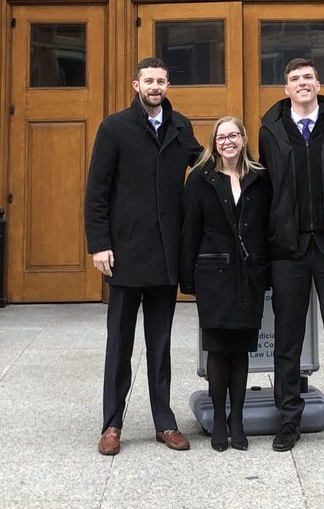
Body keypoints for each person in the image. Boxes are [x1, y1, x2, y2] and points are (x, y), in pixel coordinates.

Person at [85, 57, 202, 455]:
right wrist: (99, 243)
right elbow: (96, 191)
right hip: (124, 253)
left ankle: (164, 422)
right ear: (136, 85)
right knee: (119, 344)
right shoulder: (114, 127)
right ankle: (112, 424)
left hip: (166, 255)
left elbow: (206, 168)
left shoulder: (181, 127)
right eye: (149, 80)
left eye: (161, 81)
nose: (155, 86)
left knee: (161, 343)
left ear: (168, 85)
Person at [259, 57, 324, 452]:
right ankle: (288, 420)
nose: (302, 84)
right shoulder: (270, 129)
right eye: (294, 79)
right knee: (287, 340)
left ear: (319, 84)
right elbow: (264, 188)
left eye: (308, 78)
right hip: (288, 250)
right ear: (286, 89)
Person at [180, 117, 270, 452]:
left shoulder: (259, 177)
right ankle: (219, 419)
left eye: (234, 135)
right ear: (213, 142)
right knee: (218, 349)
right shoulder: (200, 179)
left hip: (249, 276)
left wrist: (268, 271)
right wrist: (186, 277)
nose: (228, 141)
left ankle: (237, 421)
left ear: (244, 139)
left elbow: (266, 227)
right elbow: (189, 229)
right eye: (221, 137)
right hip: (213, 275)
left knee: (242, 349)